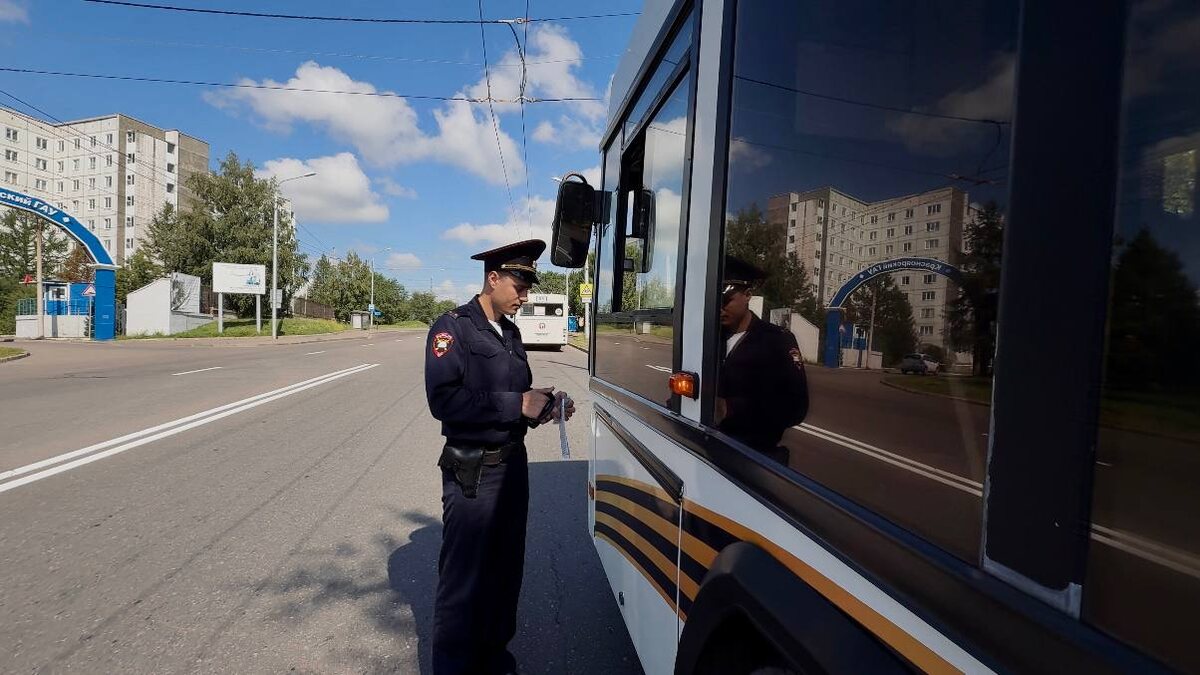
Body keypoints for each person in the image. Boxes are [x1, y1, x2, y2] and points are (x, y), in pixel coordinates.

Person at [424, 239, 575, 675]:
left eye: (528, 286)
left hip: (512, 467)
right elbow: (445, 401)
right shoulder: (453, 328)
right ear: (493, 278)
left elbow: (515, 395)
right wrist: (517, 405)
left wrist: (544, 406)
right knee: (464, 581)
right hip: (472, 470)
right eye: (519, 284)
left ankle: (494, 661)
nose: (524, 296)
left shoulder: (509, 332)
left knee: (506, 572)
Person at [715, 256, 810, 465]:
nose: (719, 307)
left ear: (748, 295)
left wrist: (729, 408)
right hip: (709, 450)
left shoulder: (776, 340)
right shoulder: (710, 339)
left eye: (725, 300)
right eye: (714, 300)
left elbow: (795, 406)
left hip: (754, 458)